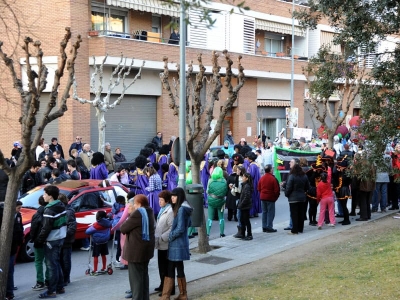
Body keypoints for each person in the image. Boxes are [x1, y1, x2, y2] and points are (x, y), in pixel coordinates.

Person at [120, 195, 155, 300]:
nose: (133, 205)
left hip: (136, 252)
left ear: (139, 204)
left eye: (134, 203)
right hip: (145, 250)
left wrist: (130, 214)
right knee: (143, 277)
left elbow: (123, 228)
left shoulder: (138, 213)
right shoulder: (149, 211)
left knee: (136, 280)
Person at [160, 187, 192, 300]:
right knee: (178, 268)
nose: (172, 198)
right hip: (179, 243)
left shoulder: (182, 209)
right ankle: (181, 294)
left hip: (176, 244)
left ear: (179, 197)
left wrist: (170, 236)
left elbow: (180, 228)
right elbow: (189, 223)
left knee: (173, 268)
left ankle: (167, 295)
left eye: (174, 196)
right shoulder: (184, 208)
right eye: (171, 196)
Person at [36, 185, 67, 298]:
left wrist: (39, 240)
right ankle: (60, 287)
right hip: (60, 237)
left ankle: (51, 290)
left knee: (51, 266)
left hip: (52, 240)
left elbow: (46, 228)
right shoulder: (61, 205)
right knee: (56, 263)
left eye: (44, 194)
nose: (43, 196)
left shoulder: (49, 209)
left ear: (50, 196)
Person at [154, 190, 175, 296]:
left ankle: (168, 288)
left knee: (166, 267)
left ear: (167, 201)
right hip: (160, 244)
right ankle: (162, 285)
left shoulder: (170, 211)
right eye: (159, 200)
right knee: (161, 266)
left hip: (165, 244)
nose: (159, 202)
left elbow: (172, 227)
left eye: (161, 200)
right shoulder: (162, 210)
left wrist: (162, 237)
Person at [3, 201, 24, 300]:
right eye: (18, 207)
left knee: (10, 269)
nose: (20, 210)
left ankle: (9, 291)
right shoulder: (5, 215)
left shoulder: (18, 215)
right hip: (8, 246)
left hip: (13, 246)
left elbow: (20, 228)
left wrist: (20, 240)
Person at [284, 158, 310, 235]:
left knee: (294, 214)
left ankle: (294, 230)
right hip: (302, 197)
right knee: (301, 213)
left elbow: (289, 187)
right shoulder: (304, 176)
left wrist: (287, 194)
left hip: (293, 198)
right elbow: (307, 187)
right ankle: (300, 228)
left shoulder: (292, 176)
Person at [30, 196, 50, 291]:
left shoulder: (37, 214)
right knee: (48, 261)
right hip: (49, 240)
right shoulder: (49, 212)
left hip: (39, 241)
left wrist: (33, 239)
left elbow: (33, 229)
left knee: (38, 262)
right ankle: (48, 280)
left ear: (39, 203)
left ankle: (40, 282)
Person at [85, 210, 112, 275]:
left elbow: (87, 231)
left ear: (99, 217)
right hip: (105, 241)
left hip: (97, 242)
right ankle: (104, 267)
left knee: (96, 255)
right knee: (103, 254)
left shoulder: (96, 225)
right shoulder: (108, 223)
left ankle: (95, 270)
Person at [58, 194, 77, 286]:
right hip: (63, 239)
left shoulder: (68, 212)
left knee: (65, 260)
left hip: (66, 240)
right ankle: (64, 278)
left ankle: (66, 278)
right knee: (62, 260)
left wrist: (63, 235)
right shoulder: (64, 210)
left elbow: (72, 226)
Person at [206, 167, 228, 237]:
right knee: (221, 217)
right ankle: (222, 233)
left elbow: (207, 191)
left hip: (211, 200)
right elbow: (226, 191)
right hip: (221, 201)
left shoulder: (210, 180)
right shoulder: (224, 180)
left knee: (210, 218)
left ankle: (207, 233)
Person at [258, 164, 280, 233]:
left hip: (263, 197)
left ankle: (264, 226)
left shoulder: (262, 178)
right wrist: (275, 197)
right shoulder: (273, 179)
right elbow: (276, 190)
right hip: (270, 198)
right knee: (270, 212)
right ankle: (269, 227)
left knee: (264, 212)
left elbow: (258, 188)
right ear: (270, 170)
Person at [237, 173, 253, 240]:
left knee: (246, 220)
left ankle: (249, 234)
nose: (242, 178)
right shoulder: (244, 185)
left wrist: (241, 204)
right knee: (242, 220)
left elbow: (246, 197)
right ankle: (243, 234)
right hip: (243, 206)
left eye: (243, 177)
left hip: (245, 206)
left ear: (247, 178)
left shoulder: (247, 186)